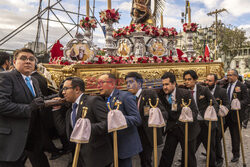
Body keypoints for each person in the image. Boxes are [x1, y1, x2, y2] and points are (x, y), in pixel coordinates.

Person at [0, 48, 50, 166]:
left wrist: (56, 98)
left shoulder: (33, 80)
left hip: (30, 139)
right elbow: (2, 105)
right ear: (14, 62)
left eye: (31, 59)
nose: (28, 61)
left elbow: (38, 100)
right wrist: (29, 108)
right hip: (11, 139)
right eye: (23, 58)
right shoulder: (6, 77)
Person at [53, 77, 113, 167]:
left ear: (77, 89)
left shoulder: (93, 101)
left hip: (96, 158)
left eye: (66, 88)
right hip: (78, 158)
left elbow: (109, 123)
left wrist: (87, 128)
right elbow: (62, 131)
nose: (63, 92)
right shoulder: (70, 110)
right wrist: (56, 109)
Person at [97, 73, 142, 167]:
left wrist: (119, 118)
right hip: (109, 145)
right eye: (98, 83)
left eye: (102, 83)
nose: (98, 86)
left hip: (123, 144)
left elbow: (137, 119)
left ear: (112, 84)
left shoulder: (125, 96)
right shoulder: (103, 99)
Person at [125, 72, 168, 167]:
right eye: (127, 82)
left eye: (131, 82)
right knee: (137, 159)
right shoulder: (127, 98)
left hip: (147, 133)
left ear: (139, 84)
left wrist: (155, 117)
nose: (128, 85)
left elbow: (163, 112)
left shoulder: (148, 93)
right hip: (134, 133)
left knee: (146, 159)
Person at [158, 72, 200, 167]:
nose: (164, 87)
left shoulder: (185, 94)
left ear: (174, 84)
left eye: (167, 84)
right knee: (167, 154)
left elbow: (194, 111)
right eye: (163, 84)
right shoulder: (161, 94)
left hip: (188, 128)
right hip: (172, 128)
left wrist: (188, 116)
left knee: (188, 157)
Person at [183, 70, 219, 167]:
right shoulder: (184, 92)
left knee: (210, 149)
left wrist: (210, 114)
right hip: (193, 125)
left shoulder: (204, 90)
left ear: (195, 80)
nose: (187, 82)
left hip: (206, 124)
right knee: (190, 149)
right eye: (185, 80)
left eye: (189, 79)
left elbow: (215, 104)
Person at [205, 74, 230, 167]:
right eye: (206, 80)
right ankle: (211, 157)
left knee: (217, 140)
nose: (207, 83)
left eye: (210, 81)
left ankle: (219, 159)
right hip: (206, 120)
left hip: (218, 121)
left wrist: (221, 109)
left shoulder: (222, 91)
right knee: (208, 140)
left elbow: (227, 105)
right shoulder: (203, 90)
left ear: (215, 82)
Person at [224, 69, 249, 162]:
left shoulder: (242, 86)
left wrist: (238, 103)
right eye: (228, 75)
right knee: (218, 135)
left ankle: (236, 155)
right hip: (225, 114)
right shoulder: (225, 85)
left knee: (235, 137)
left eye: (230, 75)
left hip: (236, 116)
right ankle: (213, 152)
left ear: (236, 76)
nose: (228, 77)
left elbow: (246, 100)